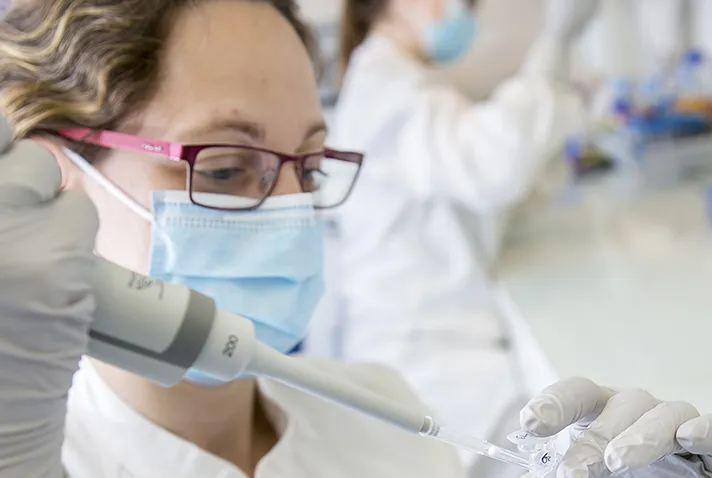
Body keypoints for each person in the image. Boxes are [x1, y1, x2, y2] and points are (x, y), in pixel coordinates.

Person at [0, 1, 710, 477]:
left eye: (308, 169)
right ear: (52, 175)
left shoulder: (382, 416)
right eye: (223, 167)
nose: (288, 211)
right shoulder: (36, 454)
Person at [304, 0, 597, 472]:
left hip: (444, 347)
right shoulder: (385, 84)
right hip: (429, 361)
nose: (461, 9)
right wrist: (553, 49)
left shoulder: (411, 81)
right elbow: (486, 163)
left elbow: (488, 195)